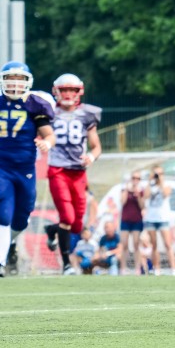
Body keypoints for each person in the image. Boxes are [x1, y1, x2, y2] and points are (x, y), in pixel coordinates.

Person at [0, 61, 55, 278]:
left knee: (22, 217)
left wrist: (47, 144)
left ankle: (9, 243)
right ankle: (1, 261)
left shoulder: (35, 104)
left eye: (19, 79)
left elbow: (49, 134)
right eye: (10, 78)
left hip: (25, 169)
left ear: (27, 82)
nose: (14, 83)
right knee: (3, 213)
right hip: (2, 166)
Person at [44, 73, 102, 276]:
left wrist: (91, 157)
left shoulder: (88, 114)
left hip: (78, 173)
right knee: (67, 217)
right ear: (56, 91)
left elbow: (96, 147)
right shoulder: (49, 112)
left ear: (79, 92)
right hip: (58, 170)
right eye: (64, 89)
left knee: (76, 225)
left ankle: (52, 230)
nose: (68, 94)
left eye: (72, 90)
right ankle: (67, 264)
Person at [143, 165, 175, 275]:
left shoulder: (167, 185)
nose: (158, 176)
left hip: (163, 218)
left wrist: (161, 181)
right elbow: (146, 196)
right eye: (156, 174)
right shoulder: (150, 185)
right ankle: (156, 268)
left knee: (168, 244)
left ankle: (174, 268)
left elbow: (166, 193)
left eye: (160, 173)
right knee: (154, 245)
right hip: (151, 218)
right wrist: (150, 181)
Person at [119, 172, 146, 275]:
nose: (135, 180)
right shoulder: (125, 190)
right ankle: (123, 268)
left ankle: (137, 268)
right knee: (124, 244)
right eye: (134, 178)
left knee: (136, 244)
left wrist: (138, 195)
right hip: (125, 220)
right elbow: (123, 201)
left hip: (137, 220)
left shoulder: (141, 191)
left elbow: (142, 206)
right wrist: (127, 189)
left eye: (138, 178)